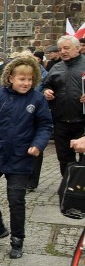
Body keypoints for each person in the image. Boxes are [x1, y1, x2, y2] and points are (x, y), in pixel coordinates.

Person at [0, 54, 52, 259]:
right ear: (10, 77)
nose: (26, 83)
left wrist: (38, 144)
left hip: (21, 157)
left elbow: (45, 125)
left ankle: (17, 240)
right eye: (22, 79)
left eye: (29, 79)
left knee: (16, 199)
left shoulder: (37, 99)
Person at [41, 34, 85, 174]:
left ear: (77, 48)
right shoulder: (56, 67)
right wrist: (46, 91)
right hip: (61, 121)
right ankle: (68, 187)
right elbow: (45, 85)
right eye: (60, 49)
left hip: (83, 120)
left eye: (66, 48)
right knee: (64, 158)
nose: (63, 52)